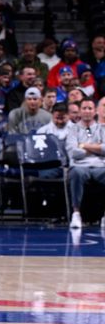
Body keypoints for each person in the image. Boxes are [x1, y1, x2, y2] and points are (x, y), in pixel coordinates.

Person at [65, 98, 105, 229]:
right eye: (84, 108)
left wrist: (83, 145)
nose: (87, 111)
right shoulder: (72, 130)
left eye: (90, 108)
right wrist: (96, 148)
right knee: (76, 173)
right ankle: (76, 214)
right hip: (80, 166)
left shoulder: (102, 129)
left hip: (100, 166)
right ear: (80, 112)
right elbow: (73, 153)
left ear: (95, 112)